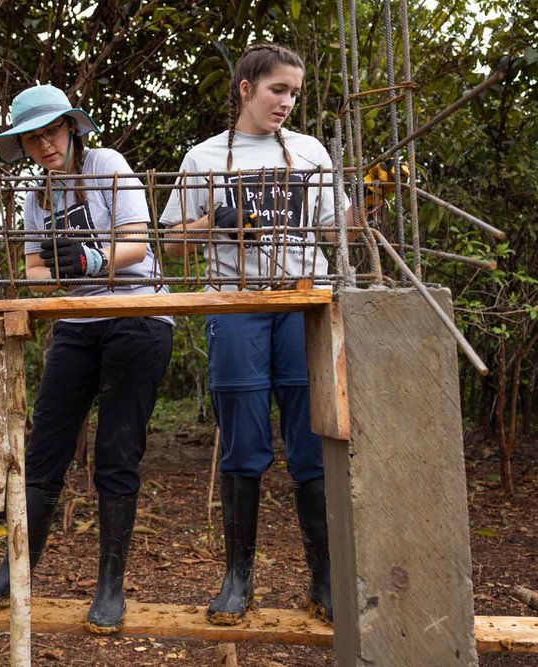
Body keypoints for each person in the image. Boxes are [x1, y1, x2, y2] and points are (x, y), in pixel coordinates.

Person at [0, 84, 173, 634]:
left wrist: (91, 256)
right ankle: (15, 571)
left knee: (116, 450)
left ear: (72, 129)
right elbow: (34, 270)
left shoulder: (107, 164)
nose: (44, 146)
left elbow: (139, 243)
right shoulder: (38, 198)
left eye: (52, 133)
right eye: (32, 140)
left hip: (136, 317)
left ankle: (110, 586)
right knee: (45, 448)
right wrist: (59, 271)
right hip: (76, 324)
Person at [161, 44, 352, 625]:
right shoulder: (204, 158)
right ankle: (237, 578)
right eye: (278, 90)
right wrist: (209, 222)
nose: (287, 102)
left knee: (312, 441)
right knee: (244, 441)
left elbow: (338, 227)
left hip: (305, 305)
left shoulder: (311, 152)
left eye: (294, 92)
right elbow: (169, 245)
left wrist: (375, 194)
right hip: (238, 304)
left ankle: (324, 579)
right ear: (246, 88)